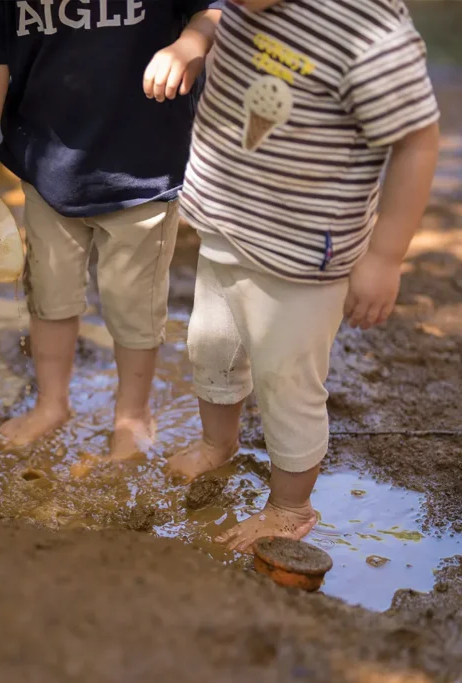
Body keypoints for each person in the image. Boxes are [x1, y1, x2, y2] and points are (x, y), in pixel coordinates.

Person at [166, 0, 440, 551]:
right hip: (227, 221)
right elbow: (218, 13)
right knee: (212, 347)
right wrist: (193, 39)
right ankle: (217, 442)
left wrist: (385, 257)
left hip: (304, 256)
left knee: (287, 381)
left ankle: (290, 505)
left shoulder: (370, 32)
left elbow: (416, 141)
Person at [0, 0, 223, 457]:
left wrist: (192, 41)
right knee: (50, 295)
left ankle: (132, 414)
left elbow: (212, 8)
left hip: (143, 169)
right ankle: (52, 403)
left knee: (134, 305)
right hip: (47, 164)